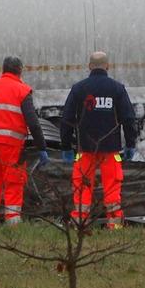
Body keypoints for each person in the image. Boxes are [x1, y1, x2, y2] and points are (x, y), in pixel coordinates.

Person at [60, 51, 138, 229]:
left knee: (82, 188)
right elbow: (128, 119)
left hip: (85, 149)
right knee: (112, 188)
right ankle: (115, 225)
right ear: (107, 66)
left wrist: (66, 146)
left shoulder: (79, 89)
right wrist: (131, 144)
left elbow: (66, 119)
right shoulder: (117, 89)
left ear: (89, 67)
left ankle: (80, 223)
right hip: (110, 149)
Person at [0, 55, 47, 226]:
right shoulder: (22, 90)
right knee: (13, 184)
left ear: (3, 69)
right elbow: (33, 122)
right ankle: (13, 225)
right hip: (13, 147)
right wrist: (41, 147)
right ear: (20, 70)